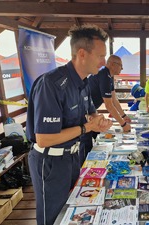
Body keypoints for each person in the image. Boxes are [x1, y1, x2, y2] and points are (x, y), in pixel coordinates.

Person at [26, 24, 113, 225]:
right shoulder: (52, 84)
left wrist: (98, 120)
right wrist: (86, 128)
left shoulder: (83, 82)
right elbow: (44, 138)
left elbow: (90, 112)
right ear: (82, 53)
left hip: (74, 156)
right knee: (53, 217)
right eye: (100, 56)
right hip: (49, 162)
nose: (103, 62)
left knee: (72, 212)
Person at [80, 55, 132, 164]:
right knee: (87, 145)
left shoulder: (109, 76)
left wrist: (124, 117)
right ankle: (86, 170)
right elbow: (108, 105)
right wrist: (123, 125)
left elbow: (114, 99)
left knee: (99, 136)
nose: (122, 69)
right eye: (121, 66)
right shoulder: (104, 75)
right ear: (113, 64)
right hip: (84, 115)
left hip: (91, 112)